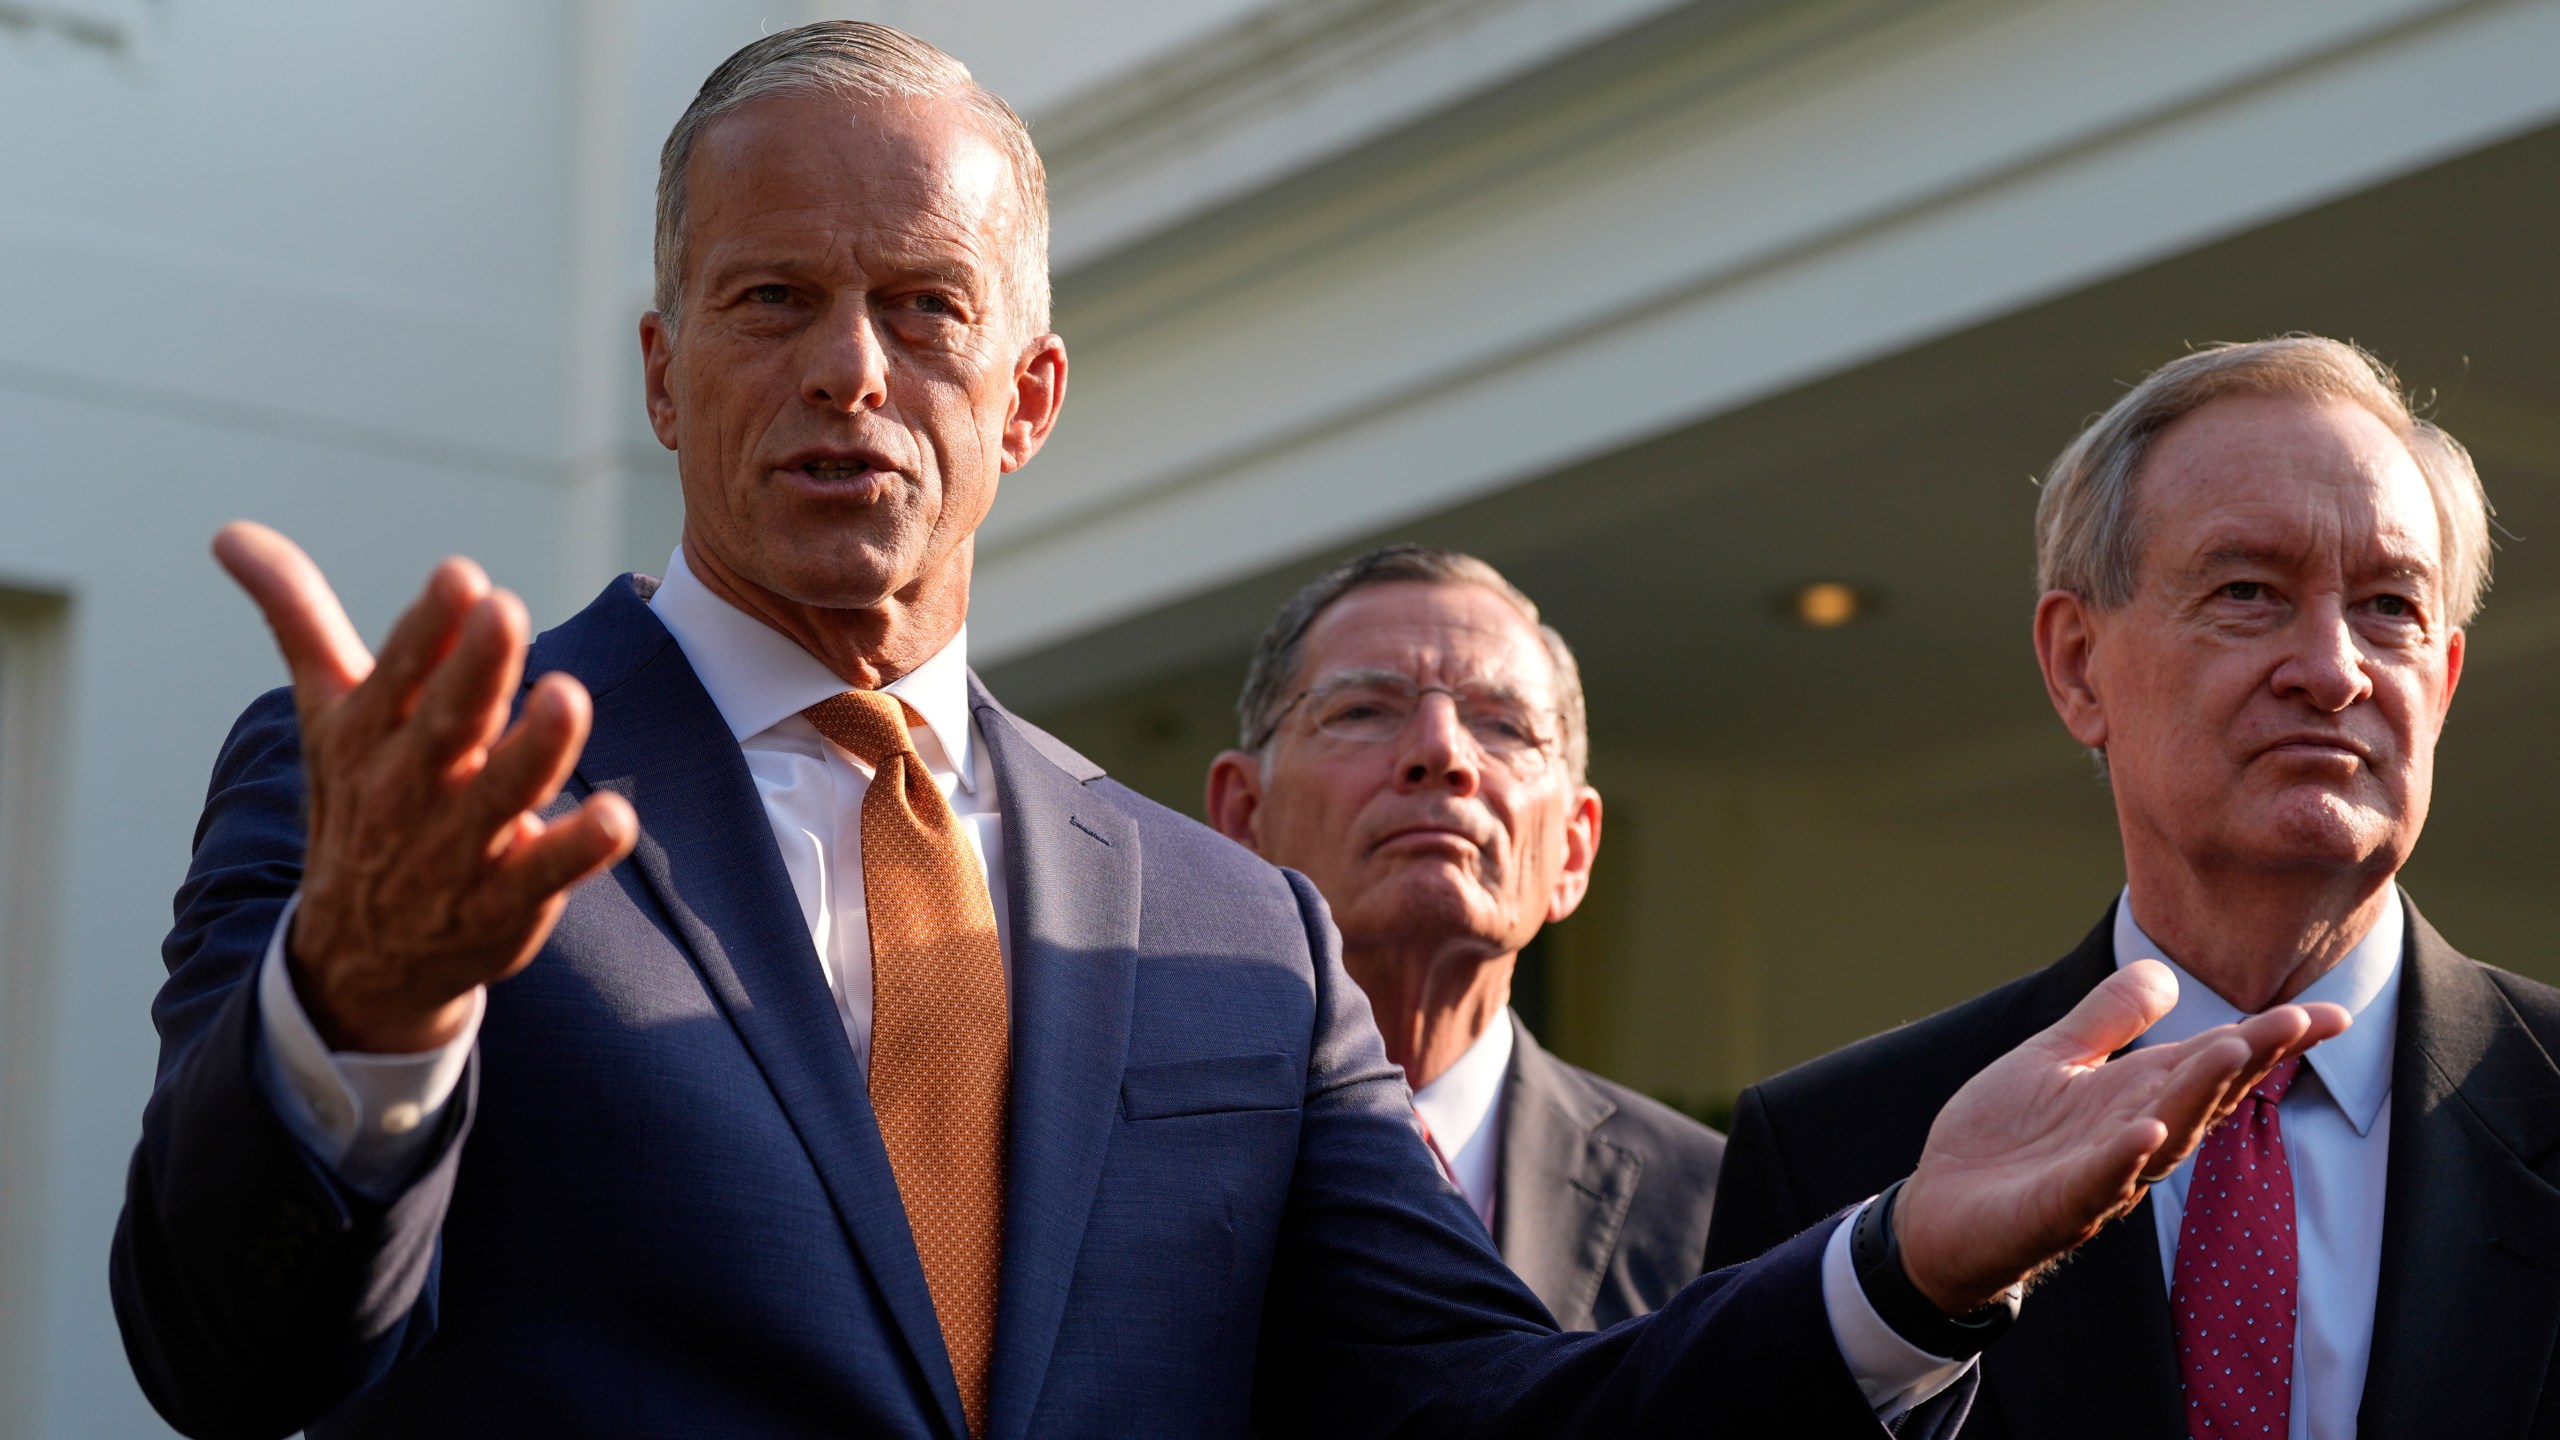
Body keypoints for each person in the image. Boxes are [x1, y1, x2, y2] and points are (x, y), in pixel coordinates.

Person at [109, 25, 2342, 1440]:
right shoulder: (413, 806)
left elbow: (1489, 1417)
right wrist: (368, 1012)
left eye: (923, 310)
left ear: (1030, 398)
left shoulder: (1225, 933)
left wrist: (1900, 1267)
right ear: (664, 369)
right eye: (770, 302)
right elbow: (232, 1363)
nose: (850, 376)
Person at [1704, 335, 2560, 1439]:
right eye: (2248, 591)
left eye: (2389, 606)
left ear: (2439, 685)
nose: (2333, 667)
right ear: (2076, 667)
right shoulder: (1842, 1154)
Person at [1205, 545, 1724, 1329]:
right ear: (1244, 818)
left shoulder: (1712, 1209)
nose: (1442, 754)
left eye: (1504, 725)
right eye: (1364, 711)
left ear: (1573, 852)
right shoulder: (1125, 1166)